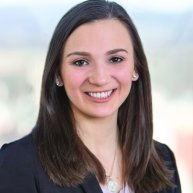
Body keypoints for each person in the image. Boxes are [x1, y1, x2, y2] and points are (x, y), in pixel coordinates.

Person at [0, 0, 181, 193]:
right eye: (80, 62)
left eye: (116, 59)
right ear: (58, 73)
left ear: (135, 68)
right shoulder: (17, 163)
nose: (100, 78)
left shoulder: (163, 160)